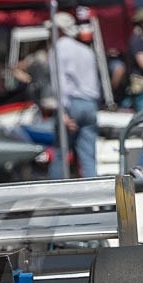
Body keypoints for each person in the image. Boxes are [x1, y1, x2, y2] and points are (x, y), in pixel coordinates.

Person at [49, 11, 100, 179]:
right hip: (90, 103)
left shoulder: (58, 49)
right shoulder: (86, 50)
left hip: (72, 104)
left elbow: (59, 83)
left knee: (61, 153)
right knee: (88, 156)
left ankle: (56, 192)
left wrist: (61, 112)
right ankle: (93, 191)